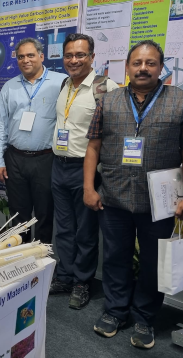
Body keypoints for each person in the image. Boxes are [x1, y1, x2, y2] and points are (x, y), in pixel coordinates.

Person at [83, 40, 183, 348]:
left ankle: (144, 317)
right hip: (114, 197)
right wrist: (88, 188)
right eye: (137, 62)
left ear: (160, 68)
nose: (143, 68)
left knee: (153, 262)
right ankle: (115, 311)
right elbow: (93, 147)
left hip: (161, 202)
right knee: (114, 257)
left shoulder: (182, 101)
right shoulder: (107, 101)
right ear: (127, 67)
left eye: (150, 63)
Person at [49, 33, 120, 310]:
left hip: (86, 170)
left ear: (92, 57)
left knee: (86, 232)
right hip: (59, 165)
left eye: (80, 55)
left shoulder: (104, 87)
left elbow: (115, 131)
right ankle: (65, 276)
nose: (74, 60)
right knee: (64, 229)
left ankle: (82, 282)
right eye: (69, 55)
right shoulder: (65, 84)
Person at [0, 38, 65, 243]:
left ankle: (42, 262)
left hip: (46, 159)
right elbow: (0, 125)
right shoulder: (9, 87)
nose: (26, 60)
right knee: (18, 215)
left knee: (45, 213)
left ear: (41, 57)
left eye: (31, 55)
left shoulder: (60, 82)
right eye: (21, 56)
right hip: (15, 159)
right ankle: (19, 260)